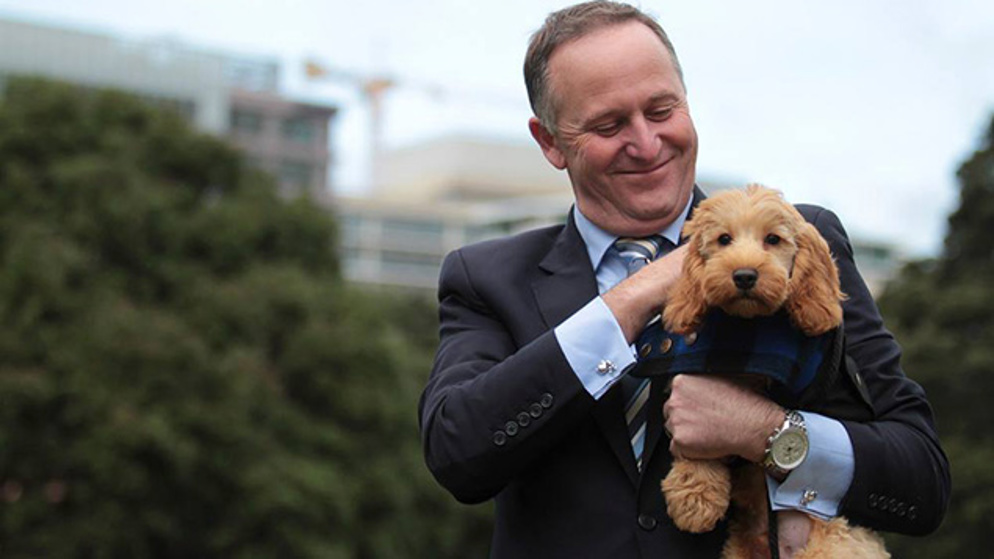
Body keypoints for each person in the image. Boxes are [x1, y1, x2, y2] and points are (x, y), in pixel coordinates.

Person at [418, 2, 950, 557]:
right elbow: (458, 454)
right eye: (609, 125)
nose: (647, 144)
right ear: (550, 141)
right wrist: (633, 298)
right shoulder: (485, 277)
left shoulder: (797, 241)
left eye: (661, 109)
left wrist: (766, 433)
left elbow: (922, 480)